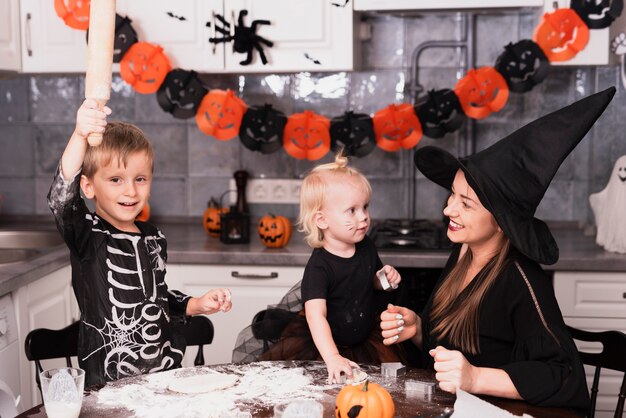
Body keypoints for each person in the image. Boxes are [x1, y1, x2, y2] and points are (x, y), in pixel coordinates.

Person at [380, 87, 616, 411]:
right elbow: (454, 351)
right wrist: (419, 330)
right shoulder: (463, 252)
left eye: (466, 204)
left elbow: (565, 376)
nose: (448, 210)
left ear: (502, 223)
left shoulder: (519, 281)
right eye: (452, 195)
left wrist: (475, 378)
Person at [47, 99, 233, 387]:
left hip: (164, 376)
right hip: (107, 382)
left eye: (140, 179)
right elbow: (61, 197)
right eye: (116, 179)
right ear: (88, 186)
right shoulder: (87, 234)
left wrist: (195, 304)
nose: (131, 190)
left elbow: (156, 300)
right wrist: (80, 135)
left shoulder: (154, 238)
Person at [231, 152, 405, 383]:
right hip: (324, 349)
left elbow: (370, 281)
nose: (364, 217)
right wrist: (332, 356)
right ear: (322, 220)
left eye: (365, 207)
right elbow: (316, 316)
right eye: (352, 210)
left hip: (366, 340)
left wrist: (383, 278)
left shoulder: (366, 246)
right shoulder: (319, 267)